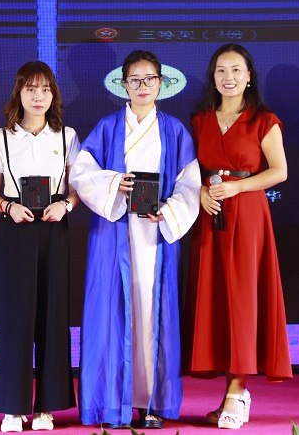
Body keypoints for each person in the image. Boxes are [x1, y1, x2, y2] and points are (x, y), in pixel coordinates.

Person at [70, 50, 201, 429]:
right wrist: (116, 182)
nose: (143, 86)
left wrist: (169, 211)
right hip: (115, 234)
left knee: (152, 315)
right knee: (111, 315)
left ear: (161, 83)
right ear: (123, 85)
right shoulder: (108, 127)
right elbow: (82, 172)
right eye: (135, 80)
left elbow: (190, 183)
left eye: (150, 79)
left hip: (156, 236)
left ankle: (151, 404)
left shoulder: (175, 130)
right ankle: (112, 405)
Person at [187, 43, 292, 430]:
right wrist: (201, 190)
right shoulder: (200, 119)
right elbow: (193, 170)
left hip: (247, 217)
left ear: (249, 77)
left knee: (244, 299)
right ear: (212, 77)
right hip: (211, 216)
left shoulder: (264, 119)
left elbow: (279, 171)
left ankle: (238, 390)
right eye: (221, 70)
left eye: (236, 70)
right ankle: (231, 390)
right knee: (217, 299)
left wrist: (237, 188)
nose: (228, 77)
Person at [0, 61, 80, 432]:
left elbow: (77, 188)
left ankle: (47, 408)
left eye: (45, 89)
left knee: (53, 316)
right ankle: (13, 407)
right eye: (30, 89)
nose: (38, 96)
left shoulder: (67, 136)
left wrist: (65, 205)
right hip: (16, 230)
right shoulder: (1, 138)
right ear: (19, 93)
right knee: (15, 318)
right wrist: (8, 207)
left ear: (53, 94)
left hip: (54, 229)